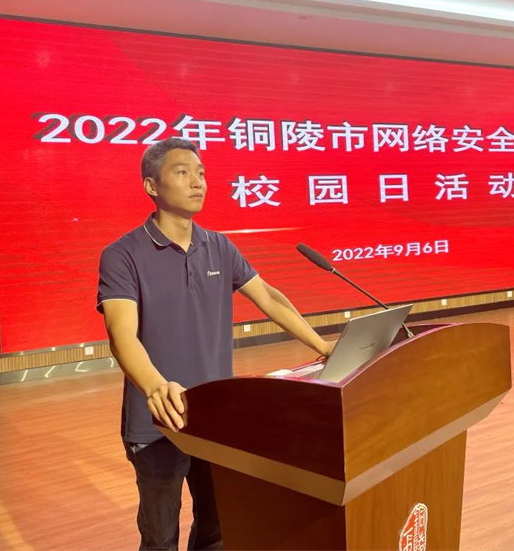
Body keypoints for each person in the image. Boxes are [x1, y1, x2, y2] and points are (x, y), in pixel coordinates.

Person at [96, 137, 335, 551]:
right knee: (160, 538)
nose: (198, 182)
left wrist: (323, 345)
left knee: (216, 532)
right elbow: (122, 335)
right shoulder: (122, 254)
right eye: (182, 172)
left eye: (201, 173)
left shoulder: (219, 246)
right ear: (152, 186)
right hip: (158, 422)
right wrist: (156, 387)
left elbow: (269, 298)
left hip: (216, 416)